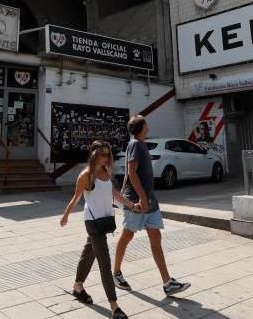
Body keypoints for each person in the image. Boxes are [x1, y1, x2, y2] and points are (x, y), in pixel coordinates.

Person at [113, 115, 190, 296]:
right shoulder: (135, 144)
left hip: (150, 202)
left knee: (156, 240)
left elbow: (130, 173)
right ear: (142, 127)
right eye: (145, 121)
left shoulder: (141, 144)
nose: (148, 124)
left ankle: (167, 282)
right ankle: (116, 272)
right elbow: (131, 172)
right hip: (138, 202)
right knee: (127, 236)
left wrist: (145, 197)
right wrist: (137, 198)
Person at [60, 140, 137, 319]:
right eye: (102, 154)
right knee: (105, 262)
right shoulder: (86, 176)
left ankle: (78, 287)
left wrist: (131, 205)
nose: (106, 158)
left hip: (105, 220)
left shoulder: (105, 171)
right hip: (93, 223)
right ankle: (114, 306)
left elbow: (114, 194)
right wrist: (66, 215)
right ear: (94, 154)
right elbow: (75, 198)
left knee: (89, 253)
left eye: (108, 154)